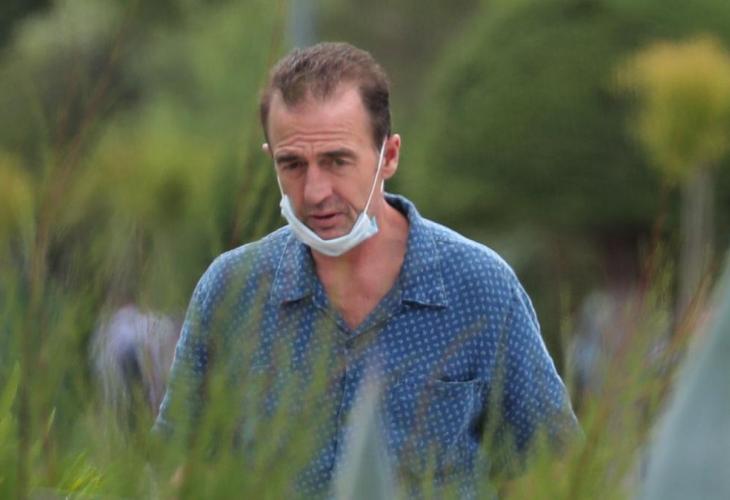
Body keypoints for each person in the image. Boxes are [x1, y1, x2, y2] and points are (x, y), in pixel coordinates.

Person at [156, 42, 578, 496]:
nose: (315, 191)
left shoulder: (479, 285)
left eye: (337, 161)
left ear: (389, 156)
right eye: (292, 165)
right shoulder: (232, 290)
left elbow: (550, 463)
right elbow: (181, 464)